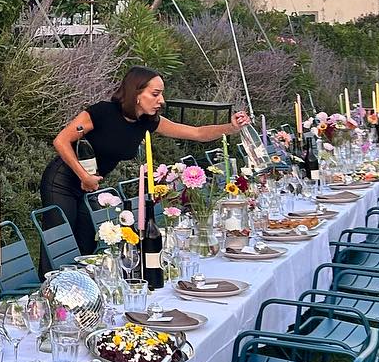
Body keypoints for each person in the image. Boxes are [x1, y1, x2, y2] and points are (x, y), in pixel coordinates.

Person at [41, 65, 250, 254]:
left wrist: (230, 127)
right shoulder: (102, 112)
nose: (162, 100)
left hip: (90, 185)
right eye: (155, 94)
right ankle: (48, 291)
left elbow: (196, 133)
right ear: (136, 93)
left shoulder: (147, 122)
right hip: (62, 181)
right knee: (60, 244)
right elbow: (61, 141)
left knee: (86, 241)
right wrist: (84, 176)